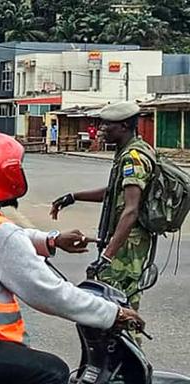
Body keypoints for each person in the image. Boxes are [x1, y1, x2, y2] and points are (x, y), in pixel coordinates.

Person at [0, 133, 144, 383]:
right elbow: (51, 294)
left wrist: (50, 240)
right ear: (8, 175)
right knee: (54, 371)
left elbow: (4, 236)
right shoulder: (0, 234)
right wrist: (112, 313)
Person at [50, 101, 156, 312]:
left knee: (117, 310)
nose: (101, 130)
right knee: (116, 309)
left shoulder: (132, 158)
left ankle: (128, 345)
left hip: (127, 248)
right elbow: (114, 192)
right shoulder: (129, 151)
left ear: (124, 126)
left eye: (107, 125)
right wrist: (73, 196)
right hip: (124, 244)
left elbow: (131, 208)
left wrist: (108, 256)